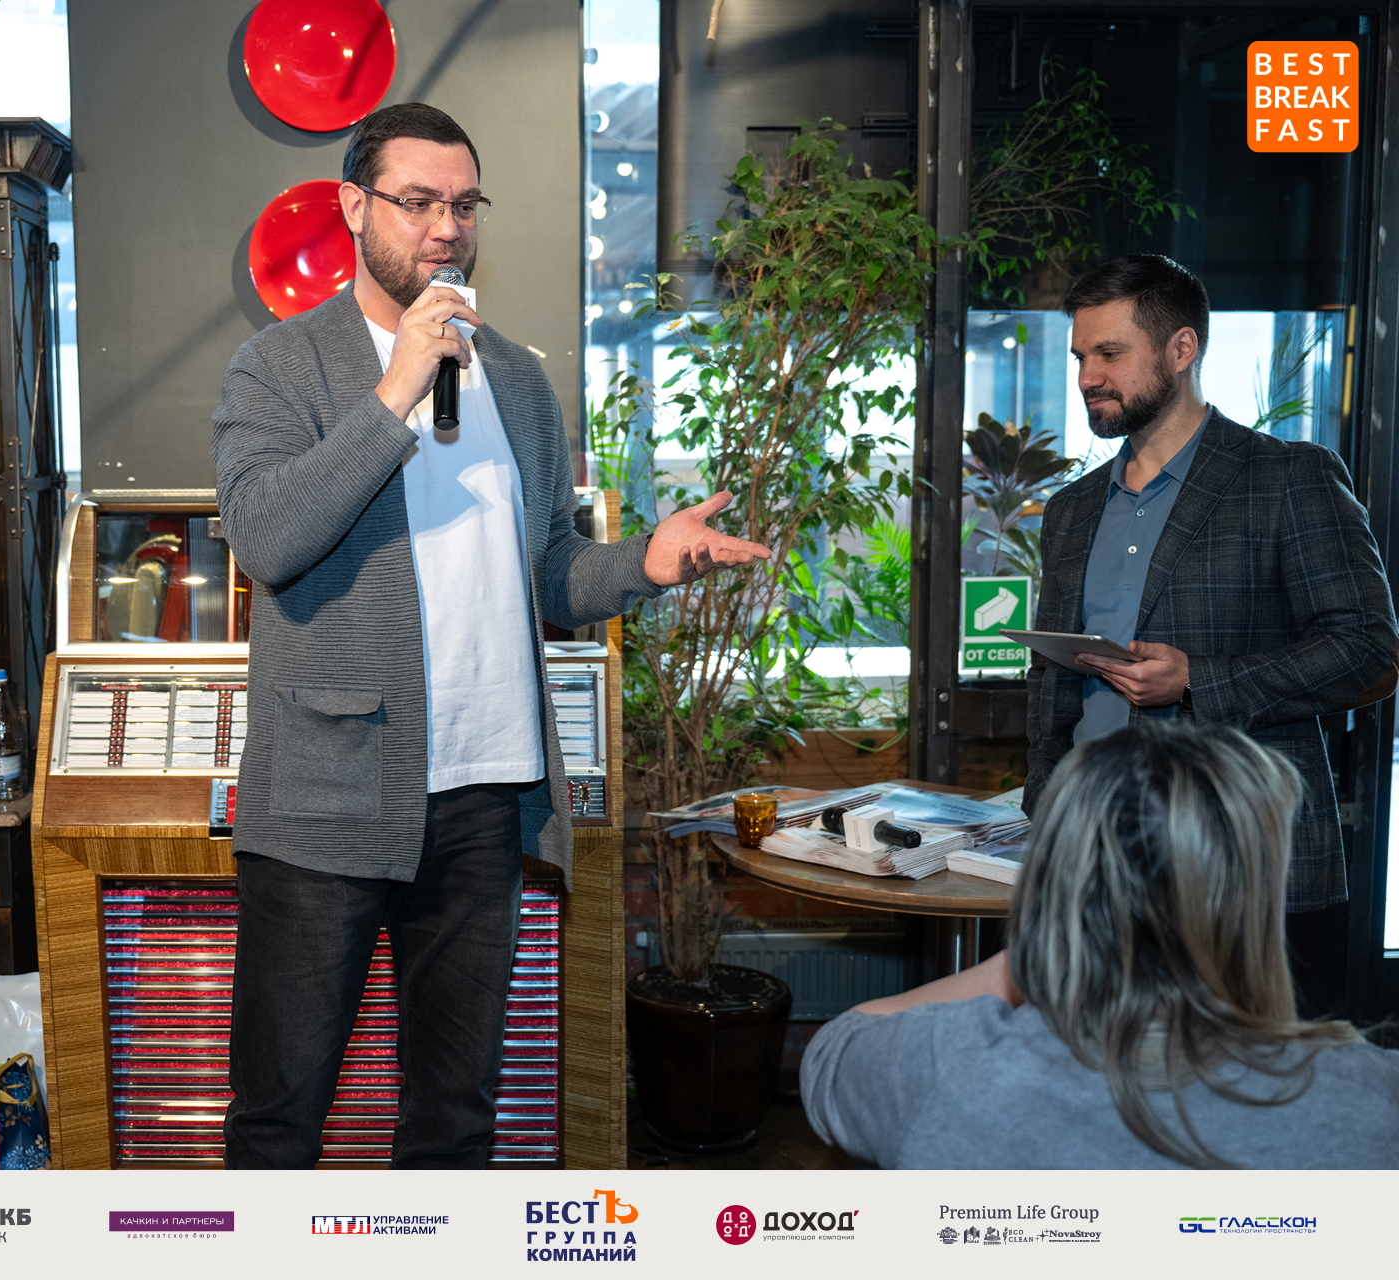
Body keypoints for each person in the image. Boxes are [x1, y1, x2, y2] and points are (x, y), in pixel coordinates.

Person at [210, 103, 767, 1168]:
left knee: (456, 1118)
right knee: (279, 1119)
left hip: (484, 796)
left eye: (464, 205)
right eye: (418, 201)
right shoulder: (278, 366)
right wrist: (397, 385)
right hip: (328, 799)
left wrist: (645, 564)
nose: (446, 227)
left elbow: (551, 569)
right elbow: (270, 540)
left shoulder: (513, 375)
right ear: (353, 206)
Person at [1025, 254, 1397, 1014]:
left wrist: (1198, 680)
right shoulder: (1071, 510)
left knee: (1256, 1084)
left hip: (1240, 867)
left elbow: (1369, 651)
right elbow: (1055, 690)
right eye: (1080, 357)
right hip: (1092, 866)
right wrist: (1045, 819)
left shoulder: (1288, 478)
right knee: (1096, 1076)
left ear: (1181, 349)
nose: (1088, 376)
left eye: (1109, 353)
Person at [803, 721, 1399, 1169]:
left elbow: (834, 1050)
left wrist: (1031, 957)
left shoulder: (943, 1067)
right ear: (1256, 899)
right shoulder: (1372, 1099)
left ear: (1050, 877)